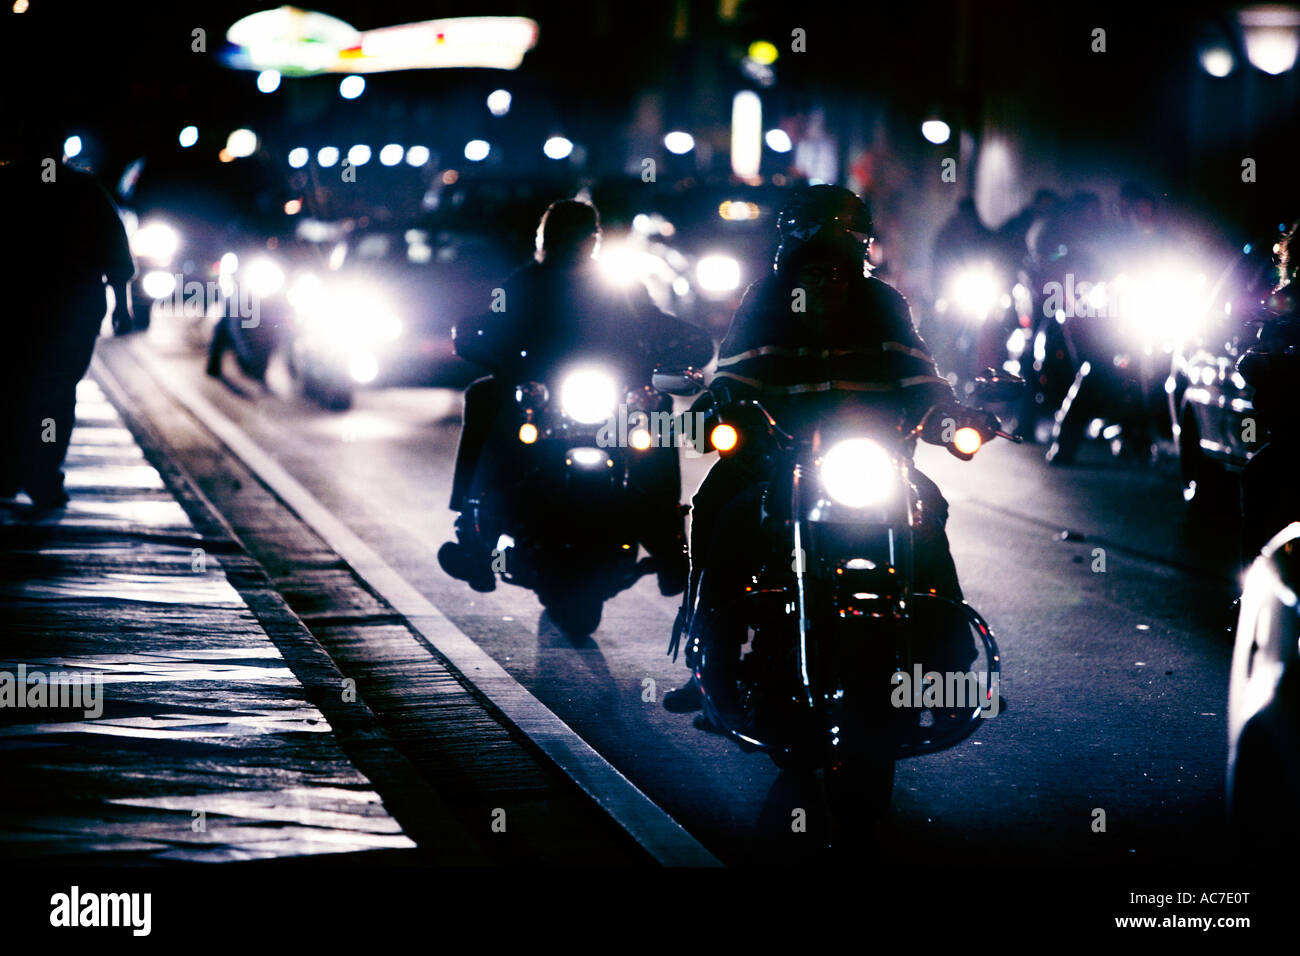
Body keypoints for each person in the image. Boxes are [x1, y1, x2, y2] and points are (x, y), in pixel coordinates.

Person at [663, 185, 997, 713]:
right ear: (793, 248)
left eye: (839, 258)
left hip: (874, 466)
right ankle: (711, 664)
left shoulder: (884, 303)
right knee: (717, 511)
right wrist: (716, 413)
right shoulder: (764, 301)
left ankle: (947, 673)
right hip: (775, 465)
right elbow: (733, 380)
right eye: (815, 260)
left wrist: (955, 421)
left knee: (928, 514)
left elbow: (921, 382)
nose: (827, 275)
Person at [438, 198, 714, 594]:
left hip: (612, 398)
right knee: (483, 397)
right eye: (564, 234)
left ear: (595, 240)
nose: (574, 244)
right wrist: (483, 344)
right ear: (546, 238)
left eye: (582, 235)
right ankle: (473, 531)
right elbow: (491, 325)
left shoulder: (620, 289)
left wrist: (684, 346)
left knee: (659, 418)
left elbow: (655, 324)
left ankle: (671, 546)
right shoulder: (523, 284)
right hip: (542, 397)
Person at [0, 141, 135, 508]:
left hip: (22, 309)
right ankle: (42, 475)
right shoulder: (83, 190)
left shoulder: (9, 184)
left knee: (15, 390)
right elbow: (116, 249)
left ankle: (15, 471)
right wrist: (122, 305)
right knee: (55, 396)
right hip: (71, 310)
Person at [1238, 221, 1300, 563]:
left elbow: (1258, 359)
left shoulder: (1288, 303)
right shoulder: (1284, 304)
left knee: (1260, 479)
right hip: (1287, 433)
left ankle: (1252, 596)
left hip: (1291, 437)